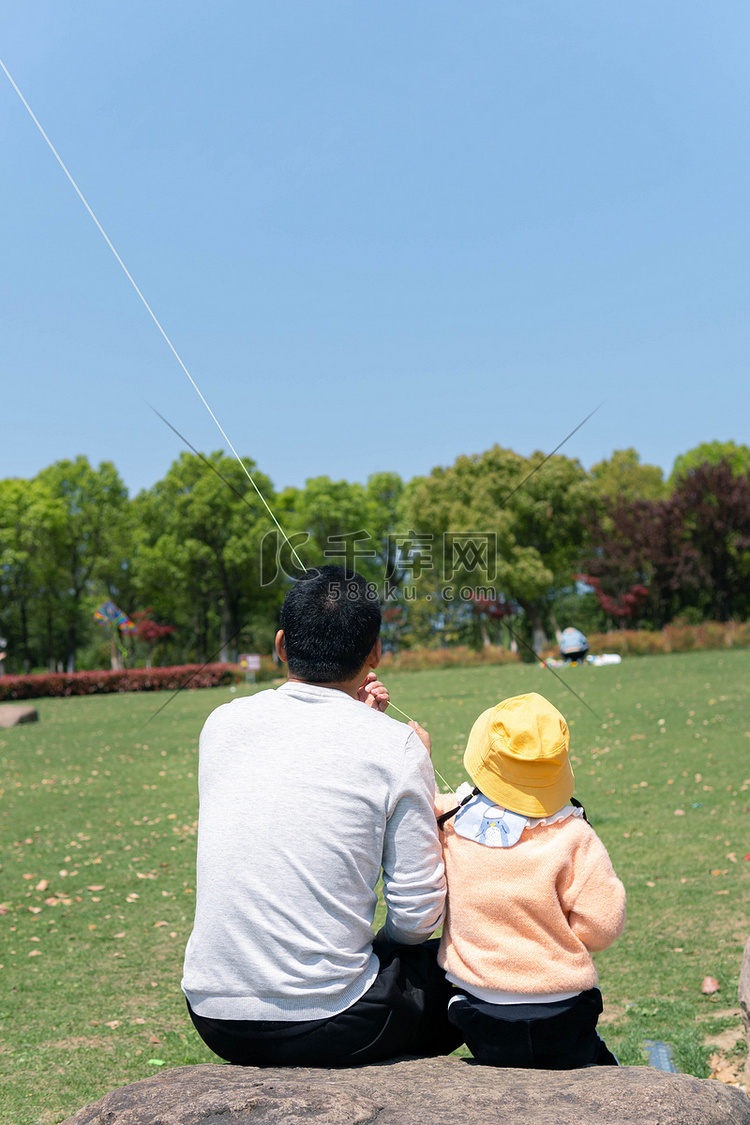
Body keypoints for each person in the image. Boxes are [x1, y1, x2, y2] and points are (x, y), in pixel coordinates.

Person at [182, 565, 461, 1067]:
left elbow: (297, 778)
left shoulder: (220, 724)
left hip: (215, 1016)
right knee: (478, 969)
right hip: (334, 1019)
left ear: (282, 645)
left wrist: (365, 727)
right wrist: (408, 756)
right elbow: (419, 918)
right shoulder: (395, 747)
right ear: (375, 651)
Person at [429, 691, 625, 1069]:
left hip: (476, 1011)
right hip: (564, 1012)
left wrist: (417, 755)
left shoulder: (448, 817)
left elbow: (413, 808)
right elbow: (601, 928)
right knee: (598, 1064)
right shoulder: (572, 834)